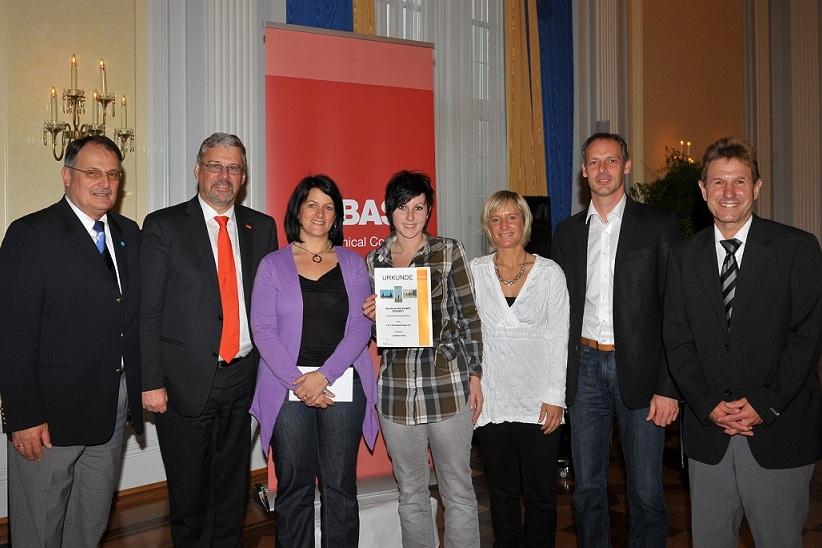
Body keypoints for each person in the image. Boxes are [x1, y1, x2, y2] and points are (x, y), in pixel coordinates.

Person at [664, 137, 821, 547]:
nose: (729, 192)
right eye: (718, 182)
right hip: (708, 434)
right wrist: (708, 404)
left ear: (757, 187)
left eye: (739, 181)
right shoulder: (683, 258)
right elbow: (677, 340)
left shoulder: (797, 249)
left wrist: (763, 404)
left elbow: (806, 340)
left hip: (777, 432)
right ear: (703, 190)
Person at [0, 135, 143, 547]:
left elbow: (129, 318)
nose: (105, 183)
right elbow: (12, 334)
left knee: (89, 522)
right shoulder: (32, 234)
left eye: (113, 174)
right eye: (93, 172)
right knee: (39, 530)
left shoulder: (127, 233)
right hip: (48, 419)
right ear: (67, 177)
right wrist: (23, 416)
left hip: (111, 411)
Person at [140, 132, 278, 546]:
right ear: (198, 170)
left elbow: (272, 304)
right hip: (184, 381)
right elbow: (147, 311)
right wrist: (150, 381)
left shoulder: (263, 227)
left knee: (232, 487)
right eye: (215, 166)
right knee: (189, 492)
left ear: (244, 175)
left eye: (233, 167)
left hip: (244, 377)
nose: (224, 175)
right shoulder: (164, 226)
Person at [551, 132, 680, 546]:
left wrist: (667, 385)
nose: (602, 170)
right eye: (593, 162)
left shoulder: (658, 225)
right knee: (587, 487)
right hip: (585, 368)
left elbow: (674, 310)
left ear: (625, 166)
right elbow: (556, 310)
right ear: (583, 172)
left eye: (610, 161)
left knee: (645, 490)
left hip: (640, 371)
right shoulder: (567, 233)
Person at [249, 175, 378, 547]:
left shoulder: (354, 264)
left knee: (340, 486)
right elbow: (263, 330)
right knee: (293, 487)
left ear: (336, 216)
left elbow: (360, 327)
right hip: (286, 384)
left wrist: (323, 376)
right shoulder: (273, 264)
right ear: (298, 212)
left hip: (342, 382)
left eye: (329, 206)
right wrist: (300, 382)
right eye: (312, 205)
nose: (320, 213)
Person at [362, 170, 483, 547]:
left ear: (428, 210)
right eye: (403, 208)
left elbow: (469, 318)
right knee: (411, 494)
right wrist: (374, 317)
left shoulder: (448, 251)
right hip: (397, 395)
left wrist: (474, 376)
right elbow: (382, 336)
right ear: (389, 211)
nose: (410, 216)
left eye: (419, 207)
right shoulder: (374, 261)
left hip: (445, 388)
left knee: (458, 492)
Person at [470, 190, 569, 547]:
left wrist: (555, 397)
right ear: (487, 227)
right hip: (493, 400)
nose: (504, 225)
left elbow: (560, 336)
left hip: (540, 400)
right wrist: (473, 378)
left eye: (512, 217)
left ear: (525, 223)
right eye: (495, 219)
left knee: (542, 493)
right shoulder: (475, 272)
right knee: (502, 492)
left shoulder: (550, 274)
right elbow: (463, 329)